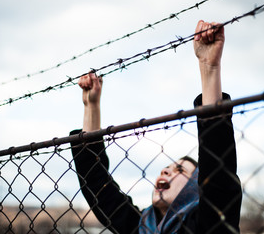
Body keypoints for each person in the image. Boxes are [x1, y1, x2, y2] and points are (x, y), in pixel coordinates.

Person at [70, 20, 242, 234]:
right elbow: (97, 186)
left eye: (180, 170)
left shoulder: (207, 225)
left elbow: (217, 172)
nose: (166, 171)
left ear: (194, 189)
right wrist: (91, 107)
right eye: (167, 168)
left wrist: (209, 67)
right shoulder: (139, 227)